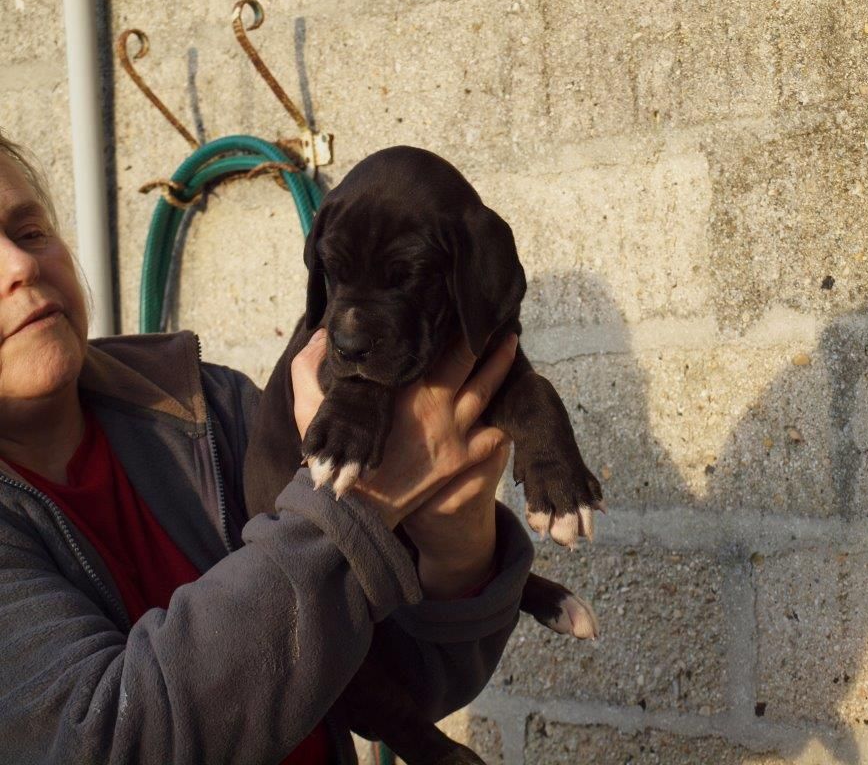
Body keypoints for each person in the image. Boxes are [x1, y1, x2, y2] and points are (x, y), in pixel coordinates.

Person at [0, 129, 533, 764]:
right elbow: (114, 741)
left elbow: (402, 679)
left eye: (28, 231)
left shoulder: (206, 406)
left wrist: (458, 545)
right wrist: (355, 506)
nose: (21, 266)